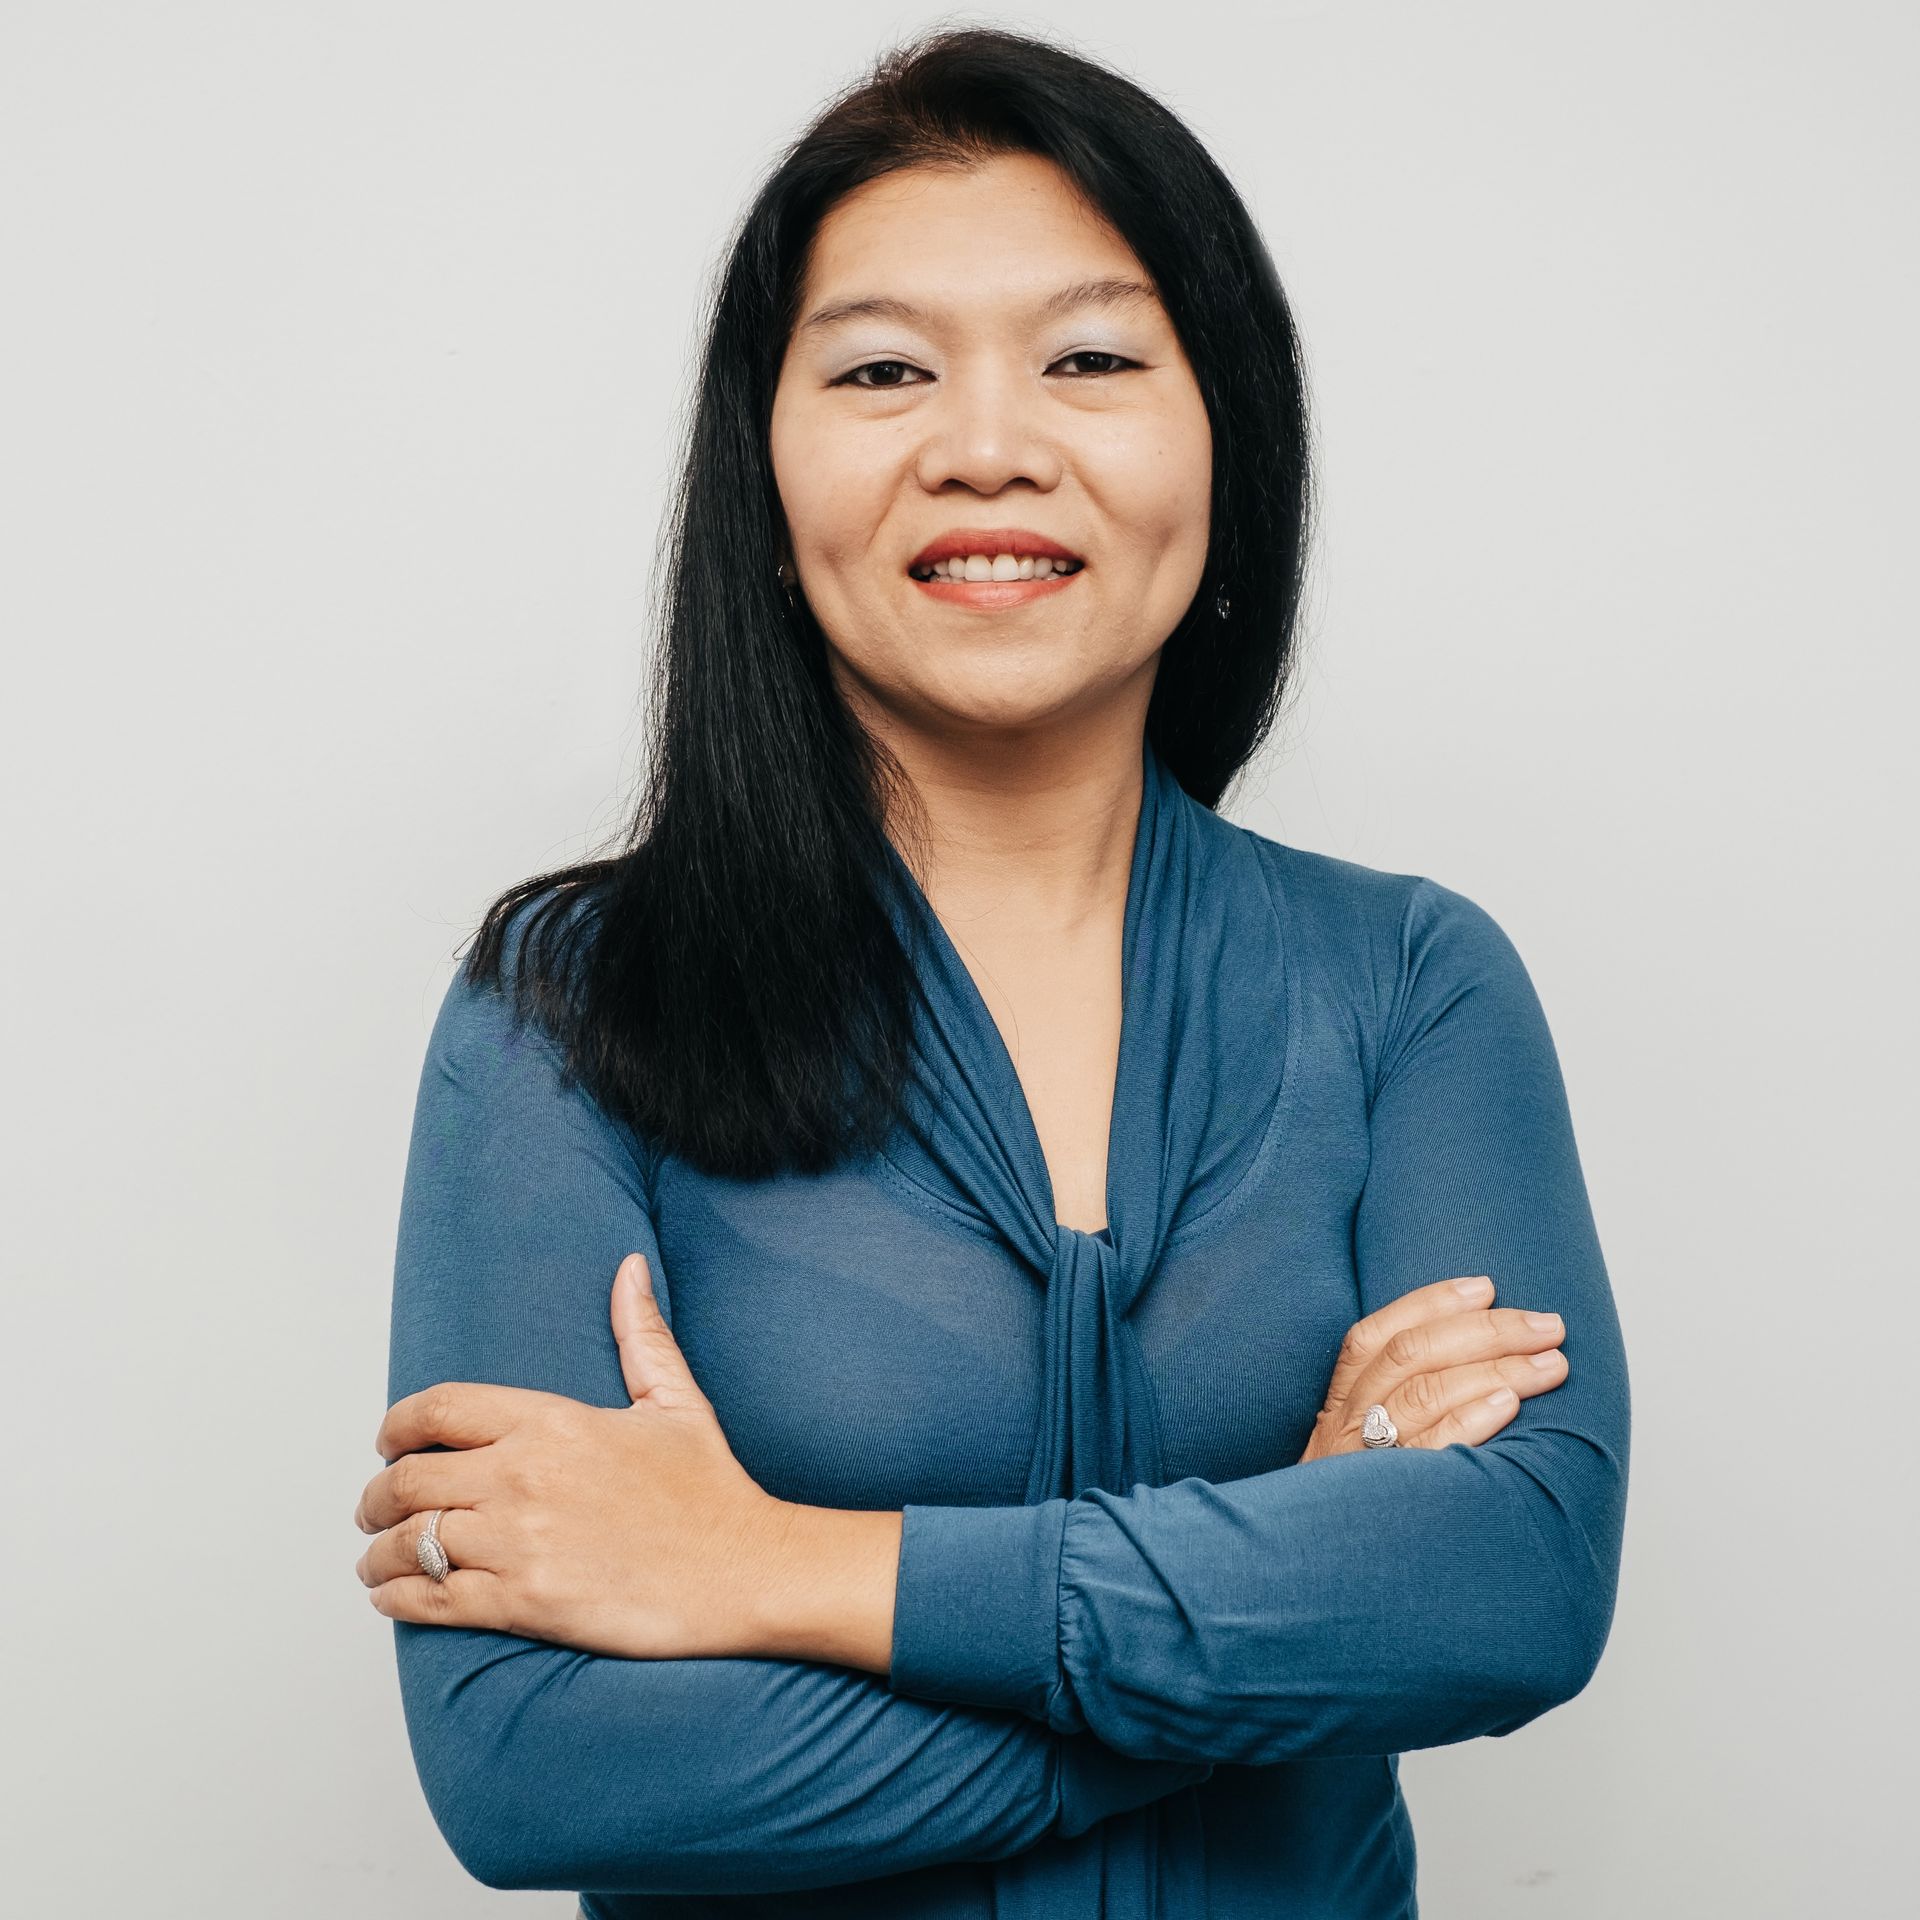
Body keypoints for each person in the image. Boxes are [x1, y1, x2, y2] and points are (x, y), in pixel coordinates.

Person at [353, 25, 1630, 1919]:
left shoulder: (1413, 983)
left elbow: (1514, 1586)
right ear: (767, 483)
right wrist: (1287, 1591)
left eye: (1093, 359)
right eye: (880, 369)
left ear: (1226, 449)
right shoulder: (569, 1006)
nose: (984, 445)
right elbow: (537, 1772)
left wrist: (776, 1569)